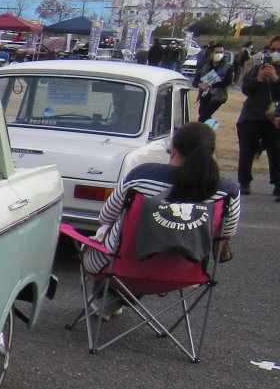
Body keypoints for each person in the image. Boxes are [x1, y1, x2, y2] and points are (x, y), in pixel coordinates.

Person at [82, 121, 240, 294]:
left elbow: (106, 217)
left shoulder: (142, 176)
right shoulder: (227, 191)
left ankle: (107, 300)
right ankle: (112, 302)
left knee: (122, 240)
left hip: (120, 266)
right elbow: (225, 233)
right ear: (212, 153)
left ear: (173, 150)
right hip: (185, 273)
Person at [235, 36, 280, 197]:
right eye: (273, 50)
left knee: (276, 152)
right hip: (252, 115)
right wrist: (259, 78)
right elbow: (246, 89)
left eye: (279, 50)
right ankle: (244, 181)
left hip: (274, 118)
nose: (275, 53)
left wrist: (276, 79)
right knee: (246, 151)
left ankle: (277, 184)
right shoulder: (257, 68)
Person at [193, 42, 234, 123]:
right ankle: (209, 129)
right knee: (202, 114)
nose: (219, 54)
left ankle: (201, 132)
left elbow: (228, 81)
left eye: (221, 52)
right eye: (217, 52)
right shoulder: (206, 65)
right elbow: (196, 80)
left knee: (204, 116)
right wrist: (199, 84)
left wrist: (211, 85)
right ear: (211, 53)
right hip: (205, 94)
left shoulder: (228, 66)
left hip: (218, 96)